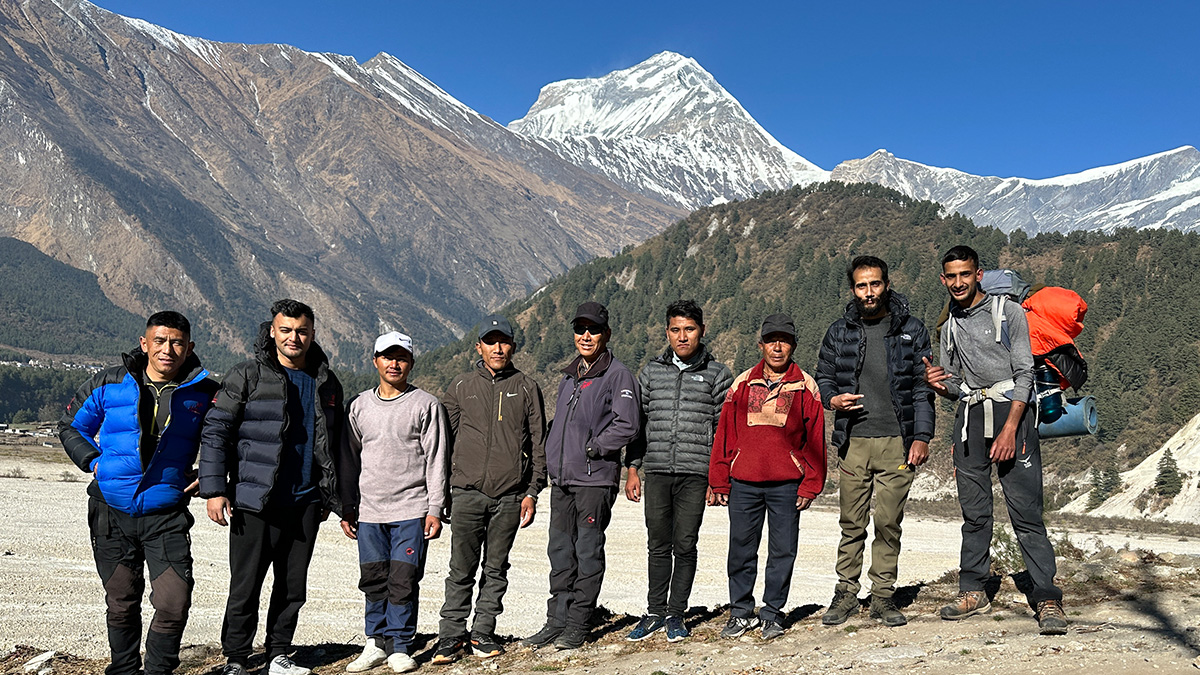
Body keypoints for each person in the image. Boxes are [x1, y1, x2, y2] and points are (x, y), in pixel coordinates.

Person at [58, 311, 218, 675]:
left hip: (166, 513)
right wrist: (95, 463)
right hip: (110, 511)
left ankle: (158, 671)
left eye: (177, 342)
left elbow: (226, 438)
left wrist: (210, 475)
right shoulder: (109, 382)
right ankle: (124, 670)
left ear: (189, 347)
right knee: (121, 602)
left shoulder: (205, 392)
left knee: (174, 602)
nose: (168, 349)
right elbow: (71, 426)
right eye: (159, 341)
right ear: (144, 343)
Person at [198, 299, 347, 675]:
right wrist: (215, 489)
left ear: (312, 335)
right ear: (271, 332)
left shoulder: (327, 382)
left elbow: (337, 442)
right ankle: (236, 658)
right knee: (245, 585)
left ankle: (278, 654)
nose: (294, 338)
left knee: (292, 586)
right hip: (254, 499)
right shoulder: (246, 375)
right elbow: (216, 431)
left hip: (306, 501)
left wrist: (336, 496)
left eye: (302, 331)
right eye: (286, 330)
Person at [924, 245, 1067, 635]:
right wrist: (938, 384)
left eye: (964, 275)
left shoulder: (1010, 314)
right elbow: (956, 384)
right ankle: (973, 589)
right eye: (950, 276)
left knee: (1026, 512)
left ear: (978, 274)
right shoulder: (950, 324)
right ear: (943, 279)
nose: (957, 283)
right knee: (975, 513)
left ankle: (1046, 596)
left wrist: (1009, 429)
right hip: (970, 419)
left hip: (1012, 418)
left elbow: (1025, 374)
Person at [815, 256, 935, 628]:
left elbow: (922, 387)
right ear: (853, 289)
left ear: (886, 284)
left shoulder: (911, 329)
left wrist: (922, 436)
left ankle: (883, 597)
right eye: (862, 286)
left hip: (897, 442)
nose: (869, 292)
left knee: (888, 522)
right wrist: (831, 400)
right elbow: (823, 377)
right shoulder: (840, 331)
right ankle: (846, 593)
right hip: (854, 440)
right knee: (851, 522)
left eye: (875, 284)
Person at [521, 301, 640, 651]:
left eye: (593, 329)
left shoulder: (617, 375)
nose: (586, 335)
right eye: (580, 328)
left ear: (606, 334)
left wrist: (594, 448)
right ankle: (555, 622)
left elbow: (628, 424)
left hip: (594, 479)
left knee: (587, 553)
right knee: (560, 552)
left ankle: (577, 624)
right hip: (563, 481)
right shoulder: (569, 376)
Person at [431, 315, 547, 664]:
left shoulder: (527, 387)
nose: (498, 348)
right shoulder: (461, 386)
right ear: (478, 346)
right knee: (460, 569)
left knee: (496, 568)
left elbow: (538, 443)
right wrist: (444, 490)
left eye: (504, 341)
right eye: (490, 341)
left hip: (510, 495)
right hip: (466, 492)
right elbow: (443, 441)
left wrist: (532, 490)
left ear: (513, 345)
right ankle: (450, 636)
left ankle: (482, 632)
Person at [708, 313, 826, 641]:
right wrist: (719, 478)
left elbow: (816, 439)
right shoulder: (742, 384)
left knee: (783, 550)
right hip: (743, 481)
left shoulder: (806, 385)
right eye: (771, 340)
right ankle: (741, 611)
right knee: (741, 549)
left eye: (784, 340)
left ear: (793, 345)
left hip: (787, 483)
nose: (777, 347)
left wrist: (811, 483)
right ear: (760, 345)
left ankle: (772, 613)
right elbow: (725, 434)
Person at [338, 331, 448, 673]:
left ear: (411, 362)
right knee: (373, 578)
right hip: (370, 511)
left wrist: (435, 509)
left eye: (401, 357)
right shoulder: (358, 406)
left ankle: (401, 645)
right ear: (375, 361)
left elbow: (437, 459)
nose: (394, 363)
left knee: (403, 578)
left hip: (412, 509)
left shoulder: (426, 404)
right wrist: (347, 506)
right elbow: (349, 459)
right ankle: (375, 643)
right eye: (388, 356)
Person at [623, 300, 733, 642]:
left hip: (695, 474)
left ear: (701, 331)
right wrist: (632, 468)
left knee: (685, 544)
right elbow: (638, 426)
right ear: (667, 332)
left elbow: (723, 430)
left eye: (689, 329)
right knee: (657, 543)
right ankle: (655, 612)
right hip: (656, 470)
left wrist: (717, 478)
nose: (682, 337)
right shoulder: (651, 373)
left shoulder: (718, 374)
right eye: (675, 330)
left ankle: (676, 614)